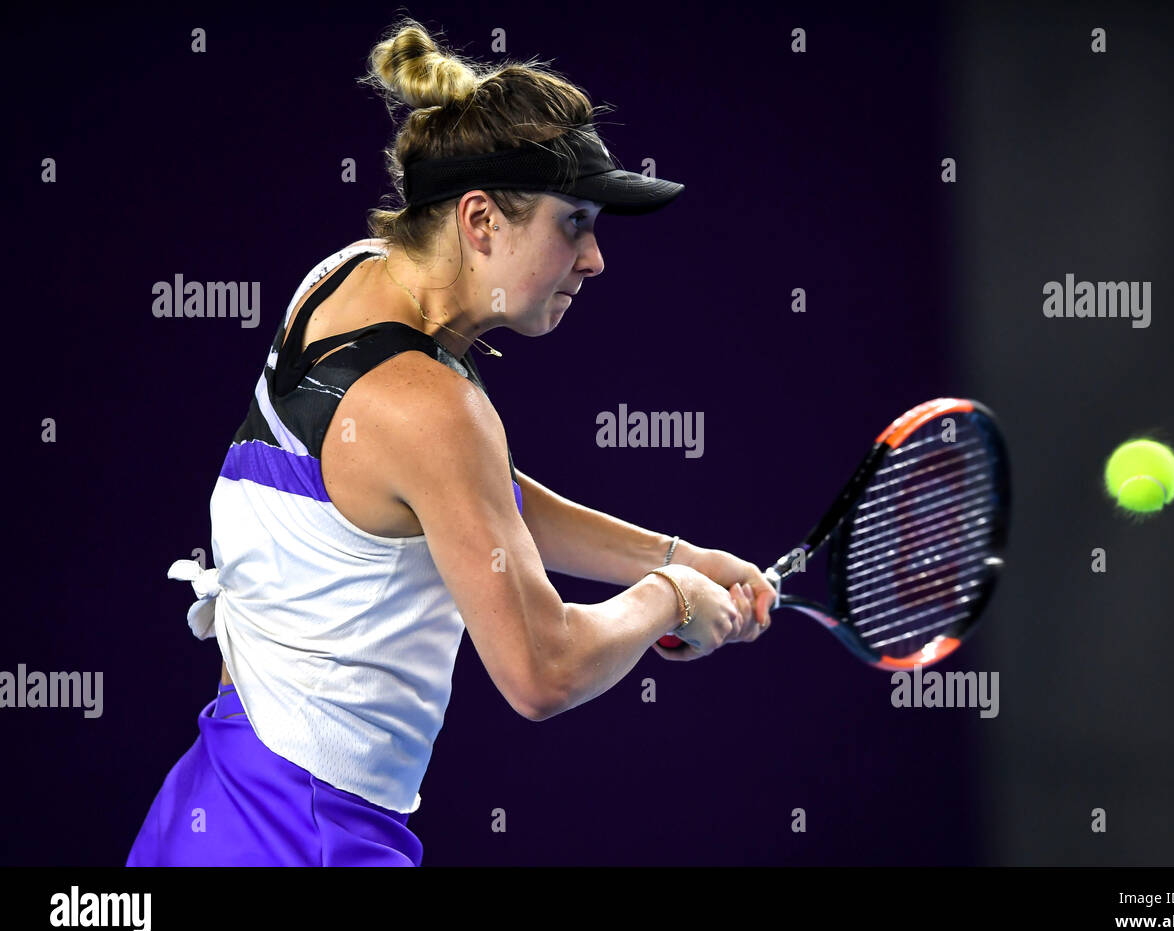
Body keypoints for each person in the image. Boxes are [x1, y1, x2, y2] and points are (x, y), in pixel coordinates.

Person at [126, 17, 778, 867]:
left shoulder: (346, 277)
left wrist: (676, 551)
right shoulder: (435, 408)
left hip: (212, 804)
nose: (595, 260)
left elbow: (474, 499)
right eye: (574, 223)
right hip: (304, 839)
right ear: (480, 220)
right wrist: (670, 598)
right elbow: (543, 672)